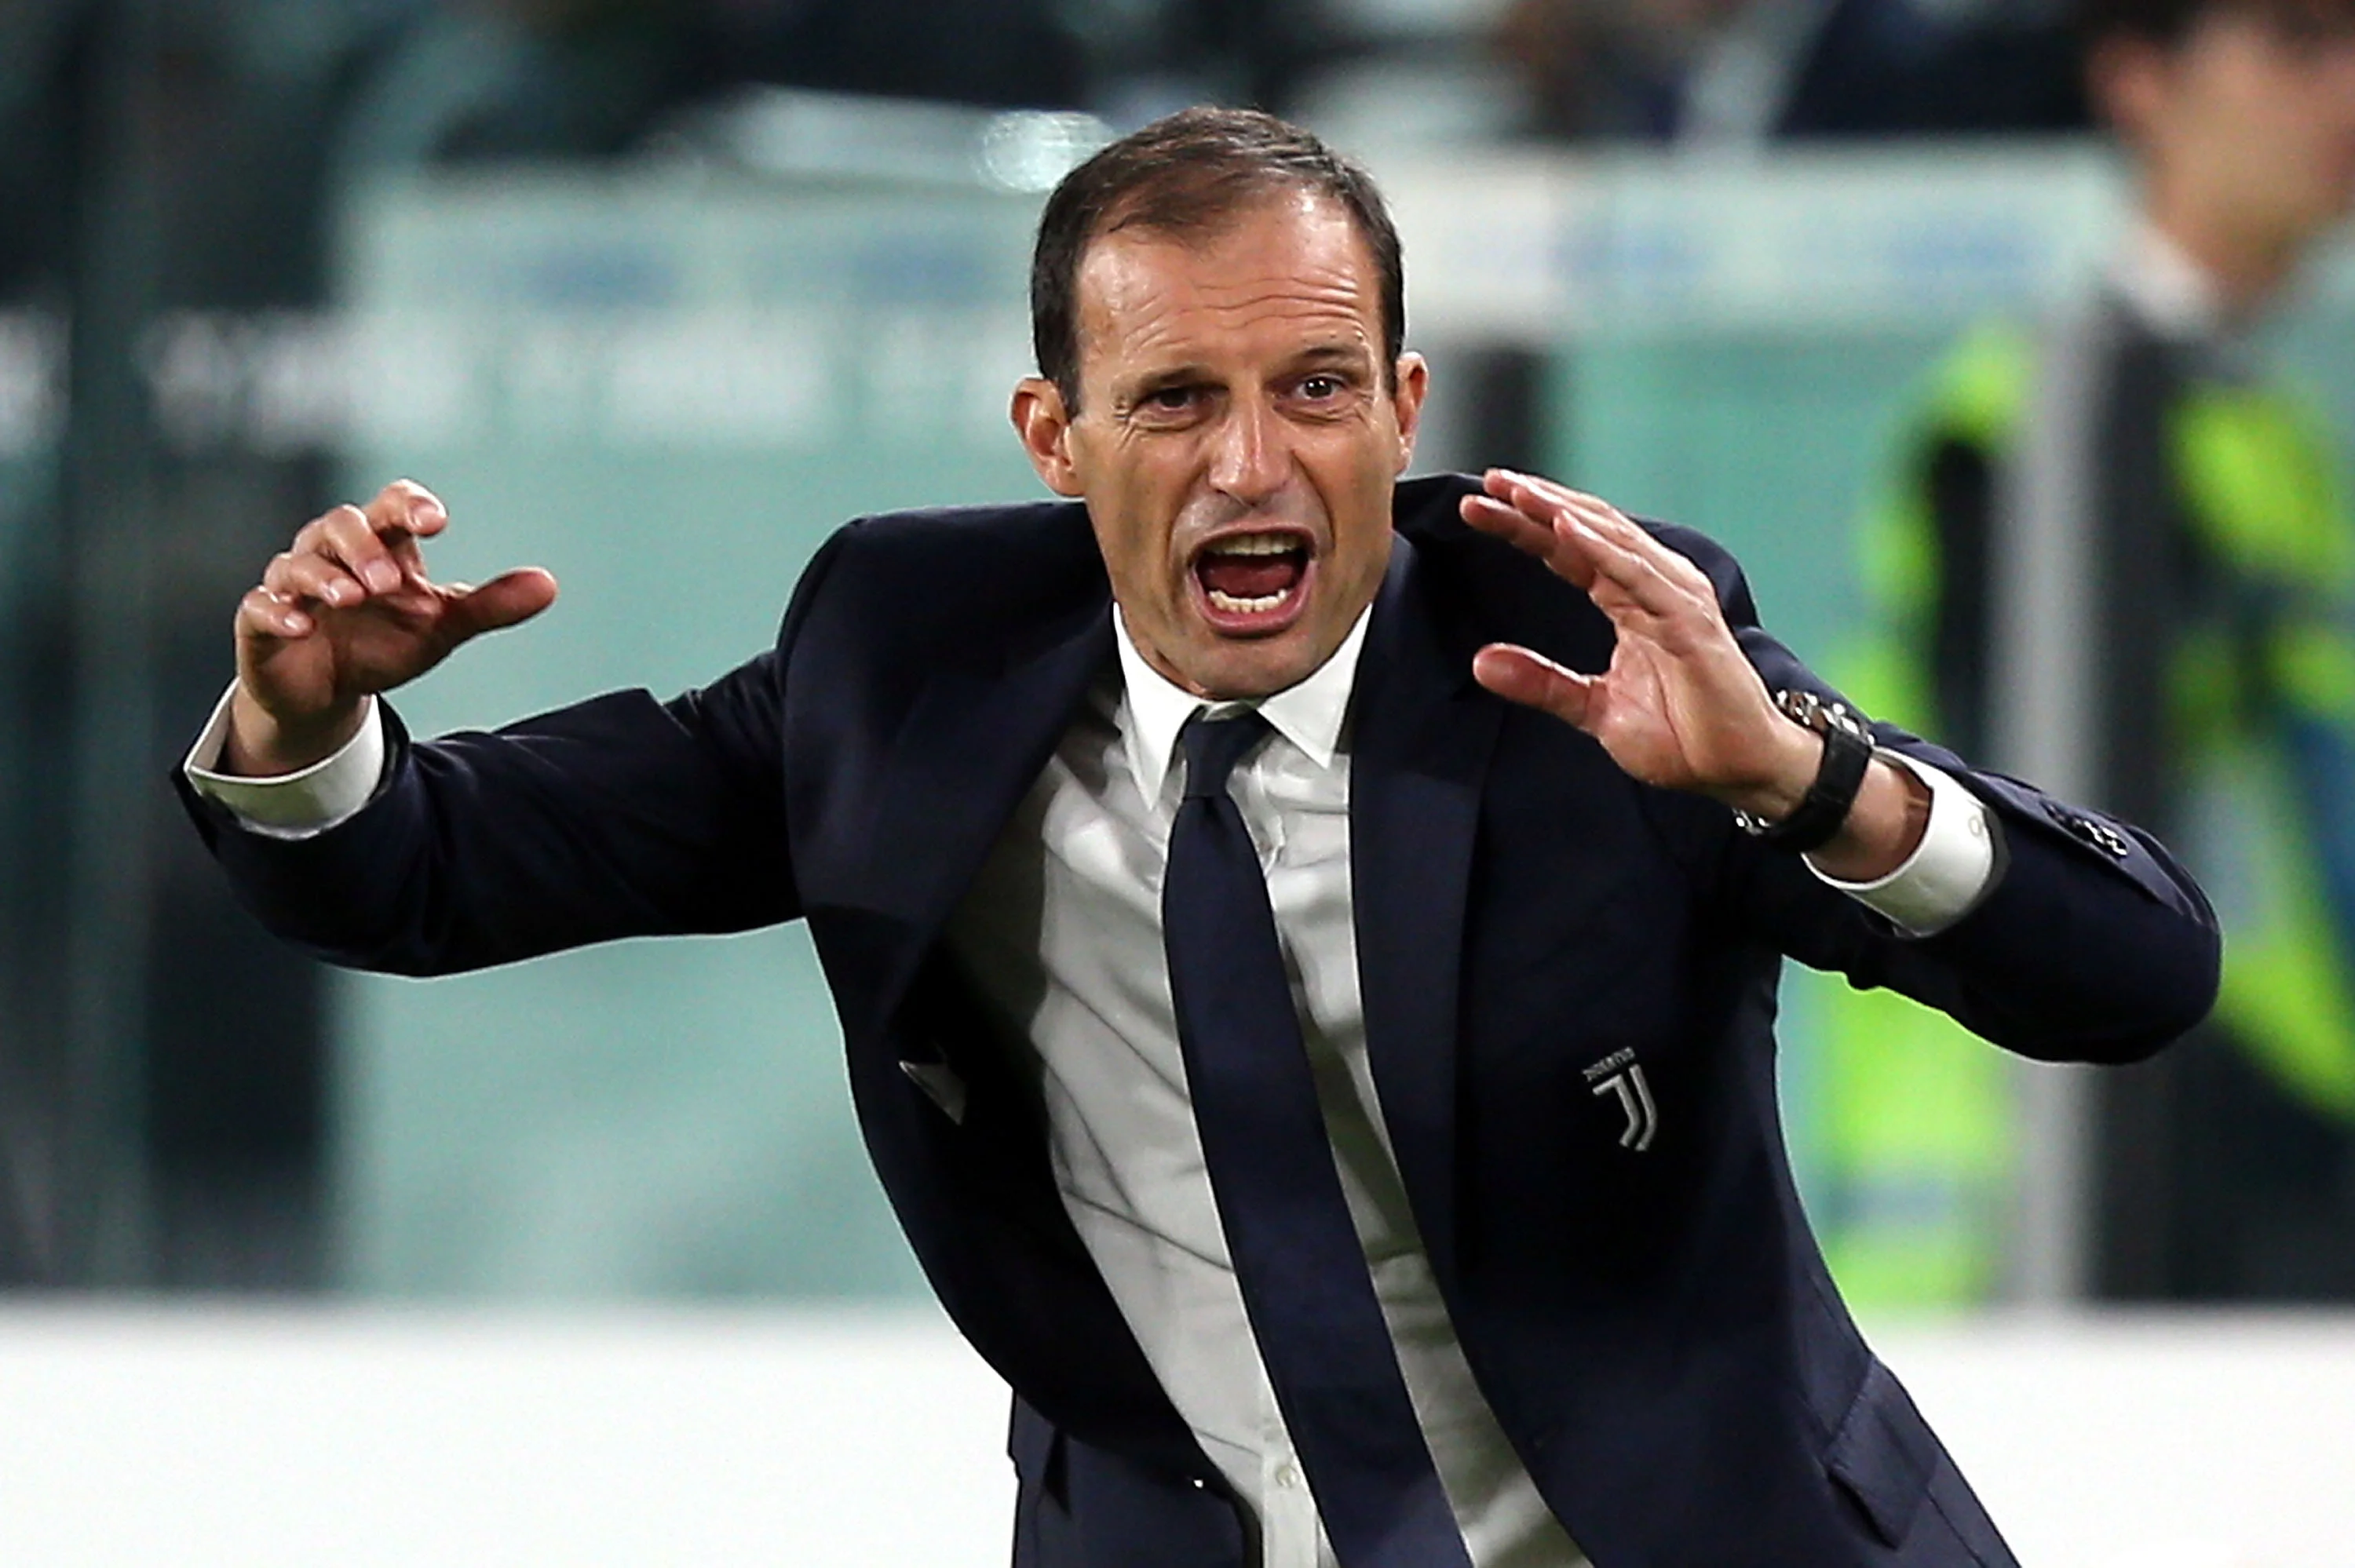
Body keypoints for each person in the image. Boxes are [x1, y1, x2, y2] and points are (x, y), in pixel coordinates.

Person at [177, 108, 2217, 1566]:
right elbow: (418, 866)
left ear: (1404, 406)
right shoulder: (908, 662)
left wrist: (1801, 779)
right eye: (1174, 401)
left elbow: (2137, 969)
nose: (1256, 461)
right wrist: (304, 713)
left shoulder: (1594, 649)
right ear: (1054, 437)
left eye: (1318, 386)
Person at [1849, 0, 2355, 1301]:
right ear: (2139, 80)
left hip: (2225, 1150)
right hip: (2068, 1192)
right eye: (2299, 42)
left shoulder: (2251, 425)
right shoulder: (2038, 426)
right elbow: (2040, 858)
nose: (2346, 87)